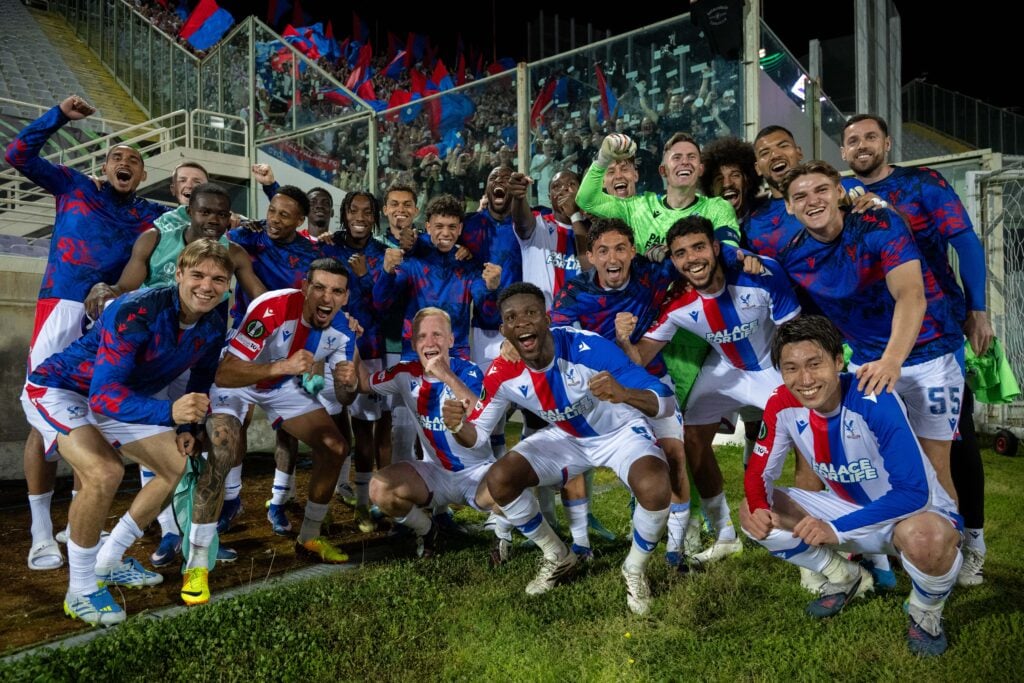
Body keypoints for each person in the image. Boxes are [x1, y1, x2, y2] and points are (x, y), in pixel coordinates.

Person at [23, 239, 231, 625]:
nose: (207, 286)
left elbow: (202, 376)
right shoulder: (137, 309)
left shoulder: (215, 320)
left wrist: (188, 424)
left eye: (219, 279)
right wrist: (170, 411)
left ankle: (109, 560)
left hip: (119, 394)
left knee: (175, 467)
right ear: (179, 273)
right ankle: (81, 589)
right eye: (198, 275)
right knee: (104, 471)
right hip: (61, 388)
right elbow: (103, 397)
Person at [442, 283, 676, 615]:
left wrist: (624, 392)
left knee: (654, 486)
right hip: (567, 438)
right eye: (512, 318)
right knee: (500, 479)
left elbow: (664, 402)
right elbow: (476, 436)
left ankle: (634, 568)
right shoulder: (502, 371)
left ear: (547, 319)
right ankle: (557, 555)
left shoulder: (589, 348)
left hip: (619, 433)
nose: (522, 322)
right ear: (504, 331)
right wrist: (456, 426)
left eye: (531, 313)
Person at [6, 94, 169, 572]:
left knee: (93, 415)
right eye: (118, 157)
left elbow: (200, 220)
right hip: (60, 308)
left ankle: (84, 525)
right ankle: (40, 530)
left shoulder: (149, 217)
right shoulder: (74, 187)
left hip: (110, 318)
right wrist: (58, 116)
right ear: (103, 166)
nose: (125, 162)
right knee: (44, 414)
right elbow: (17, 155)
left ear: (142, 177)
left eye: (135, 161)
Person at [741, 315, 963, 657]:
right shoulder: (780, 404)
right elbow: (759, 473)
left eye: (815, 364)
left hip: (915, 513)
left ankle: (925, 611)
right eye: (791, 368)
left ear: (838, 361)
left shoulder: (873, 397)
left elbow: (913, 492)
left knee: (927, 540)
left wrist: (833, 527)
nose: (805, 380)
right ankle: (844, 576)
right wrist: (757, 504)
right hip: (847, 510)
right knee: (752, 510)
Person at [840, 113, 994, 586]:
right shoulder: (839, 194)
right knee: (877, 446)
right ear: (843, 152)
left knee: (954, 440)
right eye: (851, 140)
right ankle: (897, 541)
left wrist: (979, 310)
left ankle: (971, 541)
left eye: (870, 136)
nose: (862, 145)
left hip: (934, 334)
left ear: (887, 142)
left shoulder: (923, 183)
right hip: (869, 342)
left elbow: (965, 244)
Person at [83, 182, 264, 566]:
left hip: (195, 350)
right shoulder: (156, 237)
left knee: (195, 441)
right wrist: (108, 289)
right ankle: (167, 533)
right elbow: (126, 286)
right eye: (205, 212)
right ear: (189, 210)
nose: (213, 220)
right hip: (148, 352)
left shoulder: (234, 253)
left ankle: (197, 533)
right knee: (158, 446)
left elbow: (262, 301)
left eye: (221, 213)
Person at [777, 161, 966, 515]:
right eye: (800, 196)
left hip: (930, 353)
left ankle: (954, 554)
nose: (812, 201)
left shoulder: (879, 222)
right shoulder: (792, 258)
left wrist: (892, 360)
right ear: (789, 206)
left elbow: (911, 295)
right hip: (866, 359)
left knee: (934, 464)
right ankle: (885, 548)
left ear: (839, 192)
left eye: (820, 190)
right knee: (870, 462)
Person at [617, 216, 800, 567]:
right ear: (673, 261)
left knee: (808, 442)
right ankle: (726, 535)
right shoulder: (677, 304)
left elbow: (797, 335)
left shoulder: (761, 274)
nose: (692, 259)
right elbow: (640, 357)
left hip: (774, 366)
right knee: (692, 438)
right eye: (681, 253)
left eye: (699, 247)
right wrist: (624, 339)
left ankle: (807, 535)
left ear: (716, 248)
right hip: (726, 368)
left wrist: (797, 385)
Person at [198, 258, 362, 605]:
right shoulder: (275, 307)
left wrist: (349, 382)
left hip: (280, 384)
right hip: (240, 377)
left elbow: (346, 396)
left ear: (346, 297)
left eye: (336, 291)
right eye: (318, 287)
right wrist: (282, 366)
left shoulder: (343, 332)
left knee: (335, 446)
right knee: (225, 445)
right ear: (305, 287)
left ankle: (309, 537)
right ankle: (196, 561)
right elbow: (225, 373)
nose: (326, 297)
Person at [552, 218, 692, 565]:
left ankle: (676, 550)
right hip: (597, 389)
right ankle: (582, 545)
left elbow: (692, 265)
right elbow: (555, 339)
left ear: (632, 251)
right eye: (602, 251)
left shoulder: (652, 273)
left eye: (619, 249)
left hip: (649, 379)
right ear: (591, 257)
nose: (612, 258)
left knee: (674, 458)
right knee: (574, 458)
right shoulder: (575, 292)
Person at [369, 308, 506, 559]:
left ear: (451, 340)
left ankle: (502, 537)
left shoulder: (470, 371)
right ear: (413, 343)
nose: (430, 342)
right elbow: (361, 384)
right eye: (422, 336)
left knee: (515, 488)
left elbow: (482, 415)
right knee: (379, 489)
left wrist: (446, 375)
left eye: (437, 335)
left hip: (476, 473)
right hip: (435, 475)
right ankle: (428, 530)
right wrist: (351, 350)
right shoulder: (403, 373)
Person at [320, 190, 390, 529]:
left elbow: (385, 306)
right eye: (353, 210)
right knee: (331, 426)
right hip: (328, 347)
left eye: (367, 211)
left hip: (370, 348)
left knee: (365, 427)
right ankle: (329, 494)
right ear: (344, 214)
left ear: (375, 216)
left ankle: (363, 503)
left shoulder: (382, 253)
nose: (359, 216)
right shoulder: (329, 246)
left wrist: (364, 277)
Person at [373, 194, 502, 363]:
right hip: (415, 355)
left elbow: (489, 316)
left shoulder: (469, 266)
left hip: (455, 356)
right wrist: (386, 271)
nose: (446, 233)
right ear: (428, 227)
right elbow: (380, 304)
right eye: (439, 226)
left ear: (460, 228)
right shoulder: (412, 262)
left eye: (452, 226)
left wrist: (492, 289)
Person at [745, 126, 806, 259]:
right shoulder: (753, 224)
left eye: (783, 146)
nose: (775, 155)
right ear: (758, 168)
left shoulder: (839, 191)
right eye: (765, 153)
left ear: (799, 153)